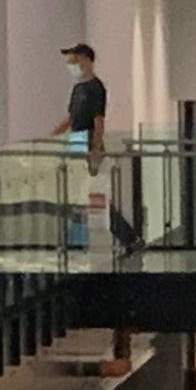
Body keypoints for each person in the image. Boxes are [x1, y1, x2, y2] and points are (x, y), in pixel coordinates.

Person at [62, 43, 131, 253]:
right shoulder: (77, 88)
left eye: (73, 61)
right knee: (78, 194)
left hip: (87, 143)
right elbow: (70, 118)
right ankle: (75, 241)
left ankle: (126, 236)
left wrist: (96, 148)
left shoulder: (95, 88)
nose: (70, 66)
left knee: (90, 194)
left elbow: (98, 121)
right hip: (76, 143)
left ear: (84, 59)